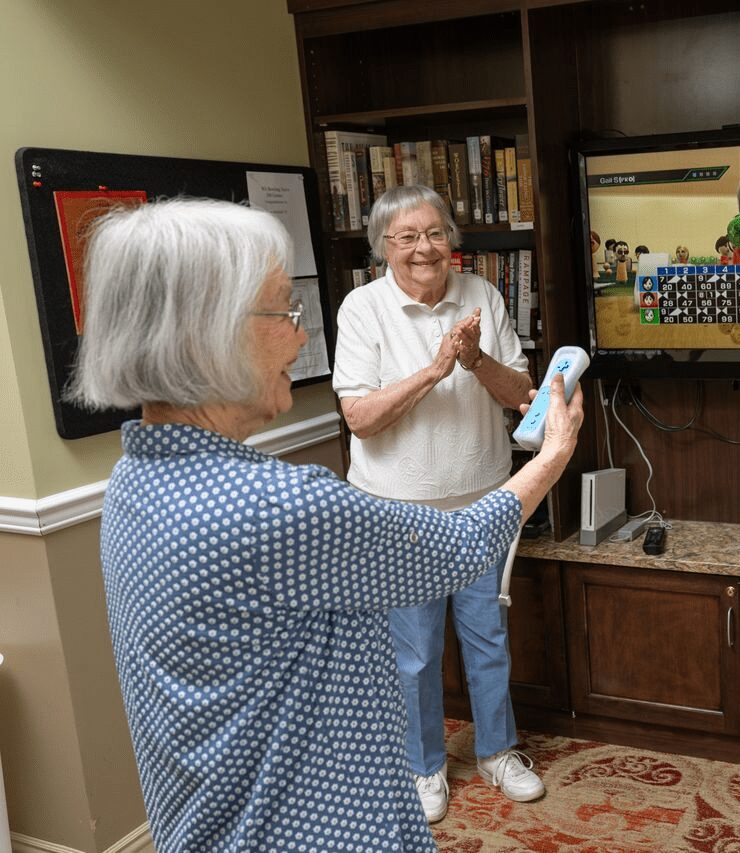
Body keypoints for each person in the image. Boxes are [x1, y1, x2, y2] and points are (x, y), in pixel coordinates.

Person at [66, 197, 583, 851]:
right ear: (207, 331)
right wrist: (556, 452)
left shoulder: (133, 480)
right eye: (284, 309)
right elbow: (458, 545)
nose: (301, 335)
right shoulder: (274, 508)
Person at [332, 183, 549, 826]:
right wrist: (434, 369)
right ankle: (425, 766)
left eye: (434, 234)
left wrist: (475, 358)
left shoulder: (482, 295)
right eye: (407, 237)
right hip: (398, 513)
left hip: (483, 503)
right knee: (416, 651)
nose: (424, 248)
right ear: (383, 250)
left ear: (451, 241)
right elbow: (361, 419)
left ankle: (498, 753)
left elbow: (523, 397)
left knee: (488, 639)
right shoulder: (361, 308)